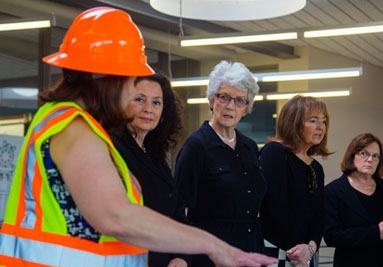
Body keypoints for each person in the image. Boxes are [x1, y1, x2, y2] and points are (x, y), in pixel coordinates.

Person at [0, 7, 278, 267]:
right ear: (107, 76)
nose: (132, 94)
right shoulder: (73, 128)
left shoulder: (59, 120)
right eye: (132, 81)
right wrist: (215, 246)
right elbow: (117, 217)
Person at [175, 61, 267, 267]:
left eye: (240, 100)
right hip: (212, 255)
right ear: (211, 99)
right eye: (224, 97)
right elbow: (180, 209)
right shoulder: (196, 147)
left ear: (247, 108)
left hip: (251, 251)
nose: (230, 106)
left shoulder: (250, 147)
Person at [109, 73, 189, 267]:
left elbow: (175, 211)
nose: (148, 109)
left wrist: (181, 257)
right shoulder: (111, 148)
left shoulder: (156, 155)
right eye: (139, 99)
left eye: (156, 103)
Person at [259, 95, 330, 267]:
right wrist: (297, 252)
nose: (321, 127)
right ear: (294, 122)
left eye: (324, 121)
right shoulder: (275, 152)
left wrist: (310, 248)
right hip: (276, 251)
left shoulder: (316, 168)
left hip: (305, 256)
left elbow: (319, 216)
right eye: (313, 121)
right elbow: (276, 205)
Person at [324, 133, 383, 267]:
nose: (370, 159)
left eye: (375, 156)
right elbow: (332, 236)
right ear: (352, 155)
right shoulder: (333, 190)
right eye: (364, 153)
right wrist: (376, 233)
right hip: (352, 262)